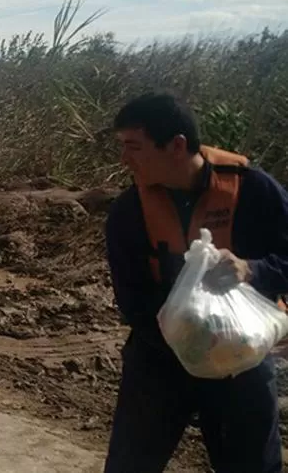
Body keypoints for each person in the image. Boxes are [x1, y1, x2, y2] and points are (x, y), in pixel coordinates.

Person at [102, 92, 288, 473]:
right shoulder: (128, 211)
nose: (124, 159)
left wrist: (251, 270)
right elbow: (131, 298)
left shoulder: (253, 191)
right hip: (161, 356)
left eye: (133, 147)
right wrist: (185, 339)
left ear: (176, 145)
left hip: (241, 357)